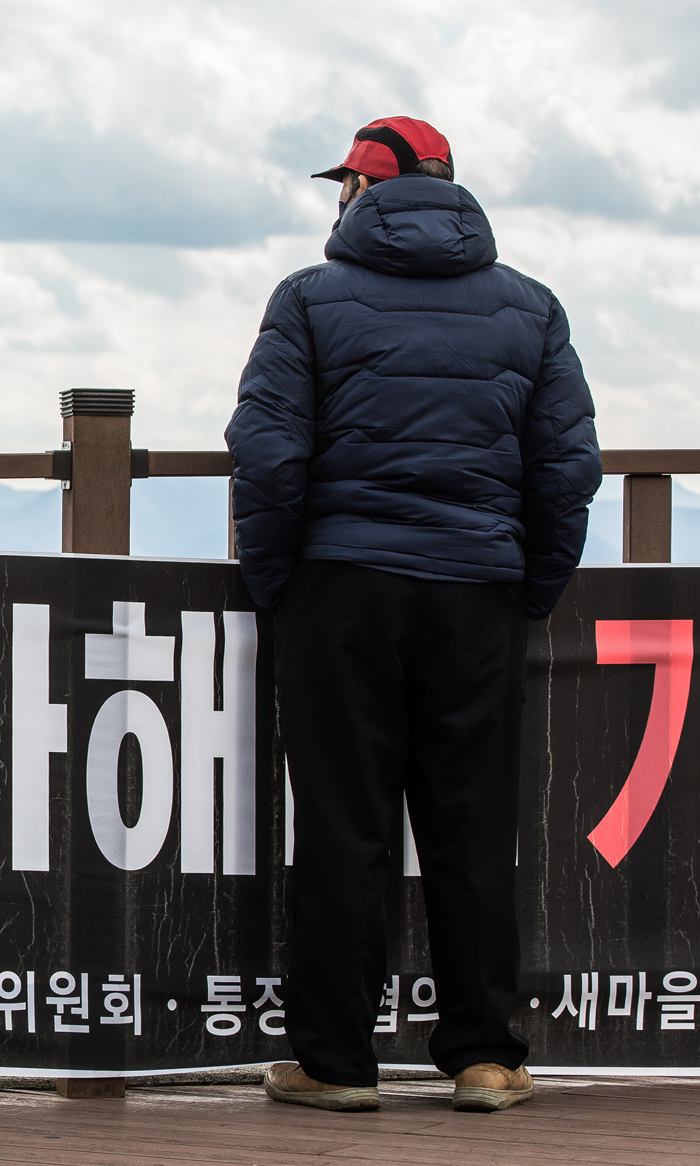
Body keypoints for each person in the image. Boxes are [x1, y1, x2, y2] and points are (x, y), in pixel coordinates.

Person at [226, 117, 600, 1113]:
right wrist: (528, 586)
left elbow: (266, 456)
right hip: (475, 593)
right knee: (471, 828)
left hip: (339, 589)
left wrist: (278, 583)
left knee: (344, 827)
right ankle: (483, 1055)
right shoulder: (529, 305)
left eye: (339, 183)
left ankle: (337, 1062)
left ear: (361, 187)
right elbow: (565, 469)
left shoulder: (306, 300)